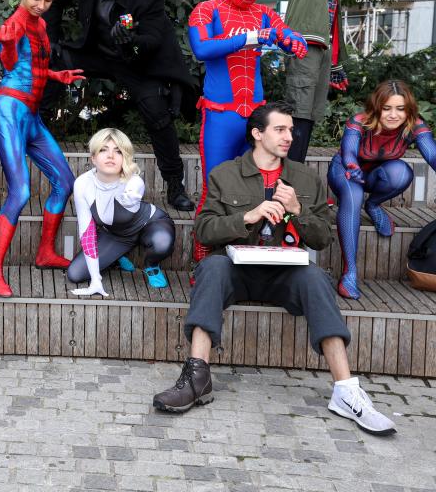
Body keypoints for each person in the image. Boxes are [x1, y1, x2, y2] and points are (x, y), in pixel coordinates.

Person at [153, 101, 395, 436]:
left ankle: (346, 390)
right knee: (211, 267)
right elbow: (204, 231)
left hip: (286, 272)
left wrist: (298, 209)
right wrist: (246, 217)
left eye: (291, 131)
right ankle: (197, 377)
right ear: (257, 133)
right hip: (237, 270)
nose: (288, 137)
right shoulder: (225, 174)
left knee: (315, 276)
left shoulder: (304, 178)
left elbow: (323, 237)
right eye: (280, 129)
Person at [43, 0, 198, 211]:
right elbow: (54, 0)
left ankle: (175, 186)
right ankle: (34, 128)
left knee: (157, 113)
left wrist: (132, 40)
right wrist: (51, 38)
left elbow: (154, 38)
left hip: (135, 61)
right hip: (95, 51)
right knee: (54, 62)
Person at [187, 0, 308, 263]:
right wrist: (252, 37)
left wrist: (294, 41)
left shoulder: (263, 13)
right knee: (213, 185)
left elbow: (285, 32)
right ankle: (202, 251)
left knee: (261, 184)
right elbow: (202, 49)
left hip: (255, 116)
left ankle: (252, 251)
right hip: (221, 114)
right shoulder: (206, 10)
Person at [0, 0, 85, 298]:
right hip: (10, 110)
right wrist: (7, 44)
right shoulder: (15, 23)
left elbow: (37, 66)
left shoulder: (39, 24)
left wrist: (59, 76)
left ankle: (44, 253)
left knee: (65, 181)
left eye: (48, 0)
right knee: (20, 191)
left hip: (31, 115)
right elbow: (12, 63)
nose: (42, 6)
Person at [328, 80, 436, 299]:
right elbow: (348, 152)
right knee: (354, 194)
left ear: (409, 110)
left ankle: (374, 204)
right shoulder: (359, 121)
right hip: (347, 172)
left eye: (400, 108)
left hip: (378, 175)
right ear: (377, 107)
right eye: (387, 108)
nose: (393, 115)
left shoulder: (414, 125)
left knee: (402, 173)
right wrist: (352, 167)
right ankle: (350, 271)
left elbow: (432, 155)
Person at [68, 128, 176, 296]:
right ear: (93, 158)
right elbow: (87, 232)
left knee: (161, 242)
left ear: (125, 158)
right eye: (104, 150)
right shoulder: (82, 184)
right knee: (75, 274)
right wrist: (96, 280)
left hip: (149, 224)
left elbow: (131, 196)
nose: (110, 156)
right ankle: (118, 255)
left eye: (118, 151)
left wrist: (129, 196)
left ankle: (151, 265)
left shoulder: (134, 181)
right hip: (117, 235)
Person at [283, 0, 349, 162]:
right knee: (297, 115)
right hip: (302, 43)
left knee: (310, 114)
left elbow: (334, 20)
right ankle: (286, 184)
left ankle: (293, 181)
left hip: (321, 48)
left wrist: (337, 61)